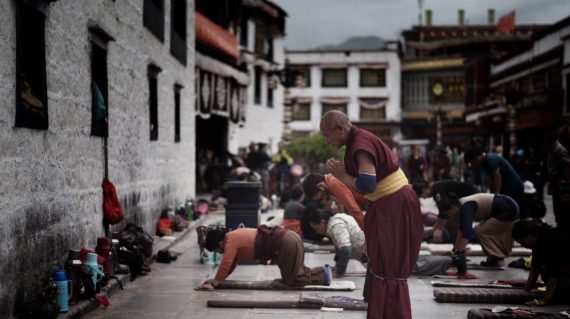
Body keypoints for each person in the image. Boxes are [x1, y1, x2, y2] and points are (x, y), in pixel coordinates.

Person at [320, 110, 423, 319]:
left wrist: (343, 177)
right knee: (382, 264)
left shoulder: (360, 144)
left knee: (390, 266)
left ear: (340, 129)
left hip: (395, 204)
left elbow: (367, 184)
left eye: (327, 134)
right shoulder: (357, 141)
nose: (326, 140)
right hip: (387, 204)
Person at [198, 226, 332, 290]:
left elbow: (225, 263)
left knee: (292, 280)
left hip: (286, 243)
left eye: (217, 250)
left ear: (220, 243)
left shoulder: (230, 241)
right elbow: (231, 264)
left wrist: (215, 283)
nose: (220, 253)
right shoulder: (232, 236)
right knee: (296, 273)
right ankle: (323, 273)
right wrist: (220, 280)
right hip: (290, 238)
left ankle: (324, 274)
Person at [450, 193, 519, 267]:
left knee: (480, 231)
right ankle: (493, 258)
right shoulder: (463, 205)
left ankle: (497, 258)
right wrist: (455, 248)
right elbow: (461, 229)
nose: (450, 215)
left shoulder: (466, 206)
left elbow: (467, 232)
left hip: (509, 208)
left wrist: (459, 253)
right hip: (503, 207)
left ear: (453, 207)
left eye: (450, 212)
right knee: (480, 230)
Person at [511, 219, 570, 306]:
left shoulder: (549, 240)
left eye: (522, 242)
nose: (523, 246)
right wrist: (526, 290)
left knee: (559, 291)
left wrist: (545, 300)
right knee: (544, 272)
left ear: (529, 236)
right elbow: (535, 268)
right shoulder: (539, 241)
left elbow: (554, 274)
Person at [464, 147, 525, 218]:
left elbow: (497, 179)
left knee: (515, 212)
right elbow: (491, 181)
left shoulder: (490, 159)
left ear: (477, 157)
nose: (473, 164)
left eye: (472, 162)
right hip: (507, 188)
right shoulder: (484, 163)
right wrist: (491, 197)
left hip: (514, 187)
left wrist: (496, 197)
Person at [412, 179, 480, 243]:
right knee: (452, 221)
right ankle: (458, 247)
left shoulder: (437, 190)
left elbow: (443, 213)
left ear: (425, 189)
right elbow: (442, 214)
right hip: (465, 199)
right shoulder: (436, 190)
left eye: (422, 195)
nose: (423, 198)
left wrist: (438, 230)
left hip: (473, 195)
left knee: (454, 223)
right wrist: (433, 229)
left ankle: (461, 247)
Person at [308, 209, 367, 277]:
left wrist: (339, 272)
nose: (317, 232)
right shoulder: (335, 222)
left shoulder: (335, 225)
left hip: (370, 256)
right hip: (365, 255)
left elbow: (345, 249)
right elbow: (340, 247)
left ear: (322, 222)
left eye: (316, 228)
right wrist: (336, 267)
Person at [302, 172, 366, 230]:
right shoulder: (332, 179)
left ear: (321, 186)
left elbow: (353, 209)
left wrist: (366, 230)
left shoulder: (333, 184)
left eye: (322, 196)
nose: (324, 198)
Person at [547, 123, 570, 230]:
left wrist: (559, 179)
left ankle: (562, 224)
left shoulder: (559, 149)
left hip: (558, 180)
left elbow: (565, 164)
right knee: (556, 203)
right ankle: (559, 223)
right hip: (554, 179)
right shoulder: (552, 148)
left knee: (560, 203)